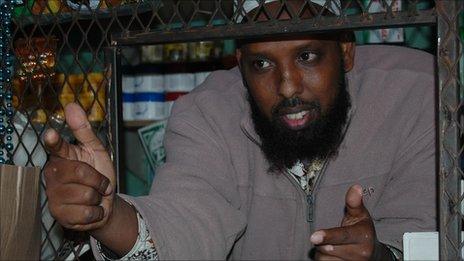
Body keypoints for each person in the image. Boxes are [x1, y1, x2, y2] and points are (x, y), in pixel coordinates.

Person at [43, 1, 436, 260]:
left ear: (346, 50)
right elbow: (188, 219)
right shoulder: (206, 112)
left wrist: (380, 257)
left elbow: (431, 237)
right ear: (239, 62)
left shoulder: (413, 91)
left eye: (307, 56)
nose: (287, 86)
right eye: (261, 65)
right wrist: (109, 218)